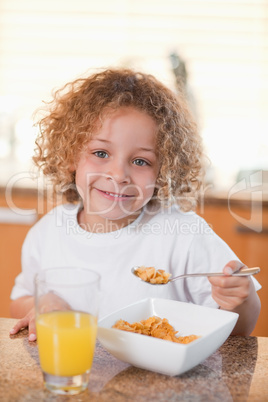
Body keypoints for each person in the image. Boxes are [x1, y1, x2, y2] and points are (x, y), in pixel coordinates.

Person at [9, 68, 261, 342]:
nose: (118, 175)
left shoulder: (185, 235)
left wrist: (239, 299)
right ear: (71, 156)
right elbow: (20, 298)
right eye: (101, 153)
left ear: (163, 171)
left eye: (141, 161)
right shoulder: (47, 233)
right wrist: (41, 306)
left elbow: (240, 328)